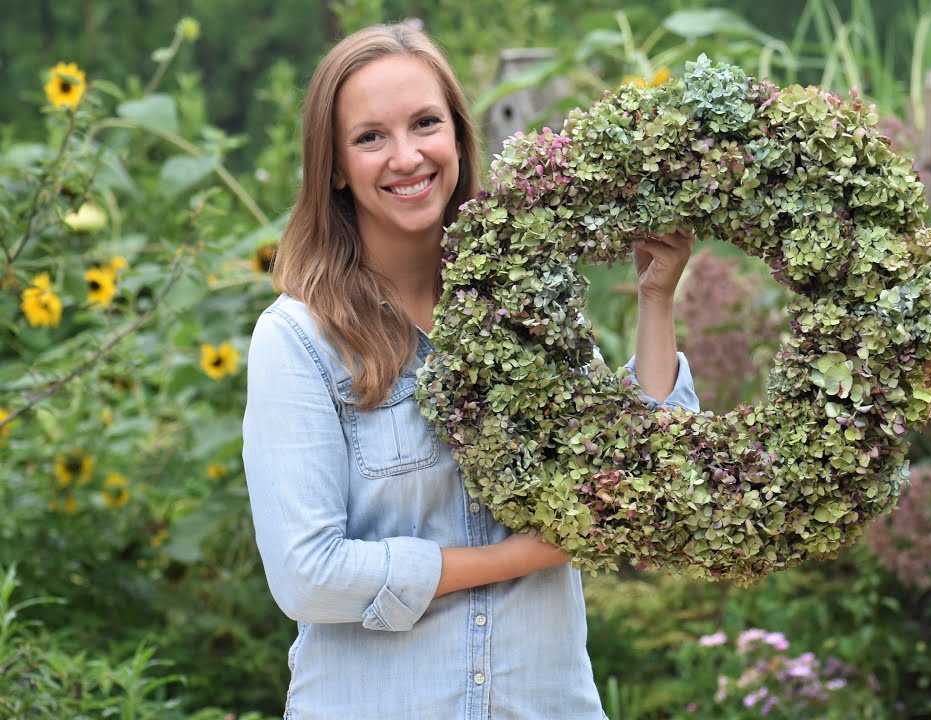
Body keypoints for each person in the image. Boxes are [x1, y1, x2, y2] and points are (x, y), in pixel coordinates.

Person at [241, 22, 699, 720]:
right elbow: (309, 577)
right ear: (334, 165)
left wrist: (656, 297)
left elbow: (644, 473)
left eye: (426, 124)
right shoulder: (299, 341)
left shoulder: (530, 305)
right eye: (370, 137)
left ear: (458, 137)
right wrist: (529, 554)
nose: (406, 156)